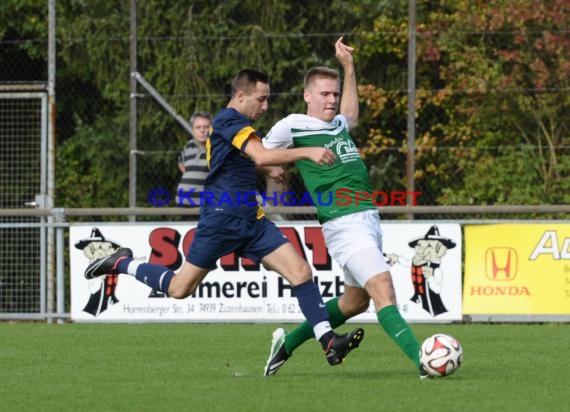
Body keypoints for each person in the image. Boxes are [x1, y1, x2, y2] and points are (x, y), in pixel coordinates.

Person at [85, 68, 364, 368]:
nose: (265, 106)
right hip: (220, 220)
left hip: (252, 221)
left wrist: (268, 169)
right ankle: (122, 262)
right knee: (180, 289)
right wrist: (306, 152)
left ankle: (328, 342)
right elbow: (258, 154)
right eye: (261, 99)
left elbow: (237, 160)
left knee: (300, 272)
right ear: (240, 96)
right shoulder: (229, 120)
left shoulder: (237, 125)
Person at [262, 38, 426, 378]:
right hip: (342, 221)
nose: (332, 99)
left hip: (368, 219)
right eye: (324, 93)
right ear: (307, 95)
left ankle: (287, 344)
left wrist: (349, 68)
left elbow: (351, 112)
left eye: (334, 93)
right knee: (383, 289)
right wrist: (270, 168)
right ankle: (424, 362)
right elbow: (257, 153)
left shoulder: (337, 123)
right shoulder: (292, 125)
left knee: (355, 303)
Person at [175, 111, 212, 209]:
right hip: (182, 202)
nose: (202, 130)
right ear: (192, 130)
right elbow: (181, 163)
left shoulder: (216, 147)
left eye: (206, 127)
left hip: (205, 205)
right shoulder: (188, 146)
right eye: (198, 127)